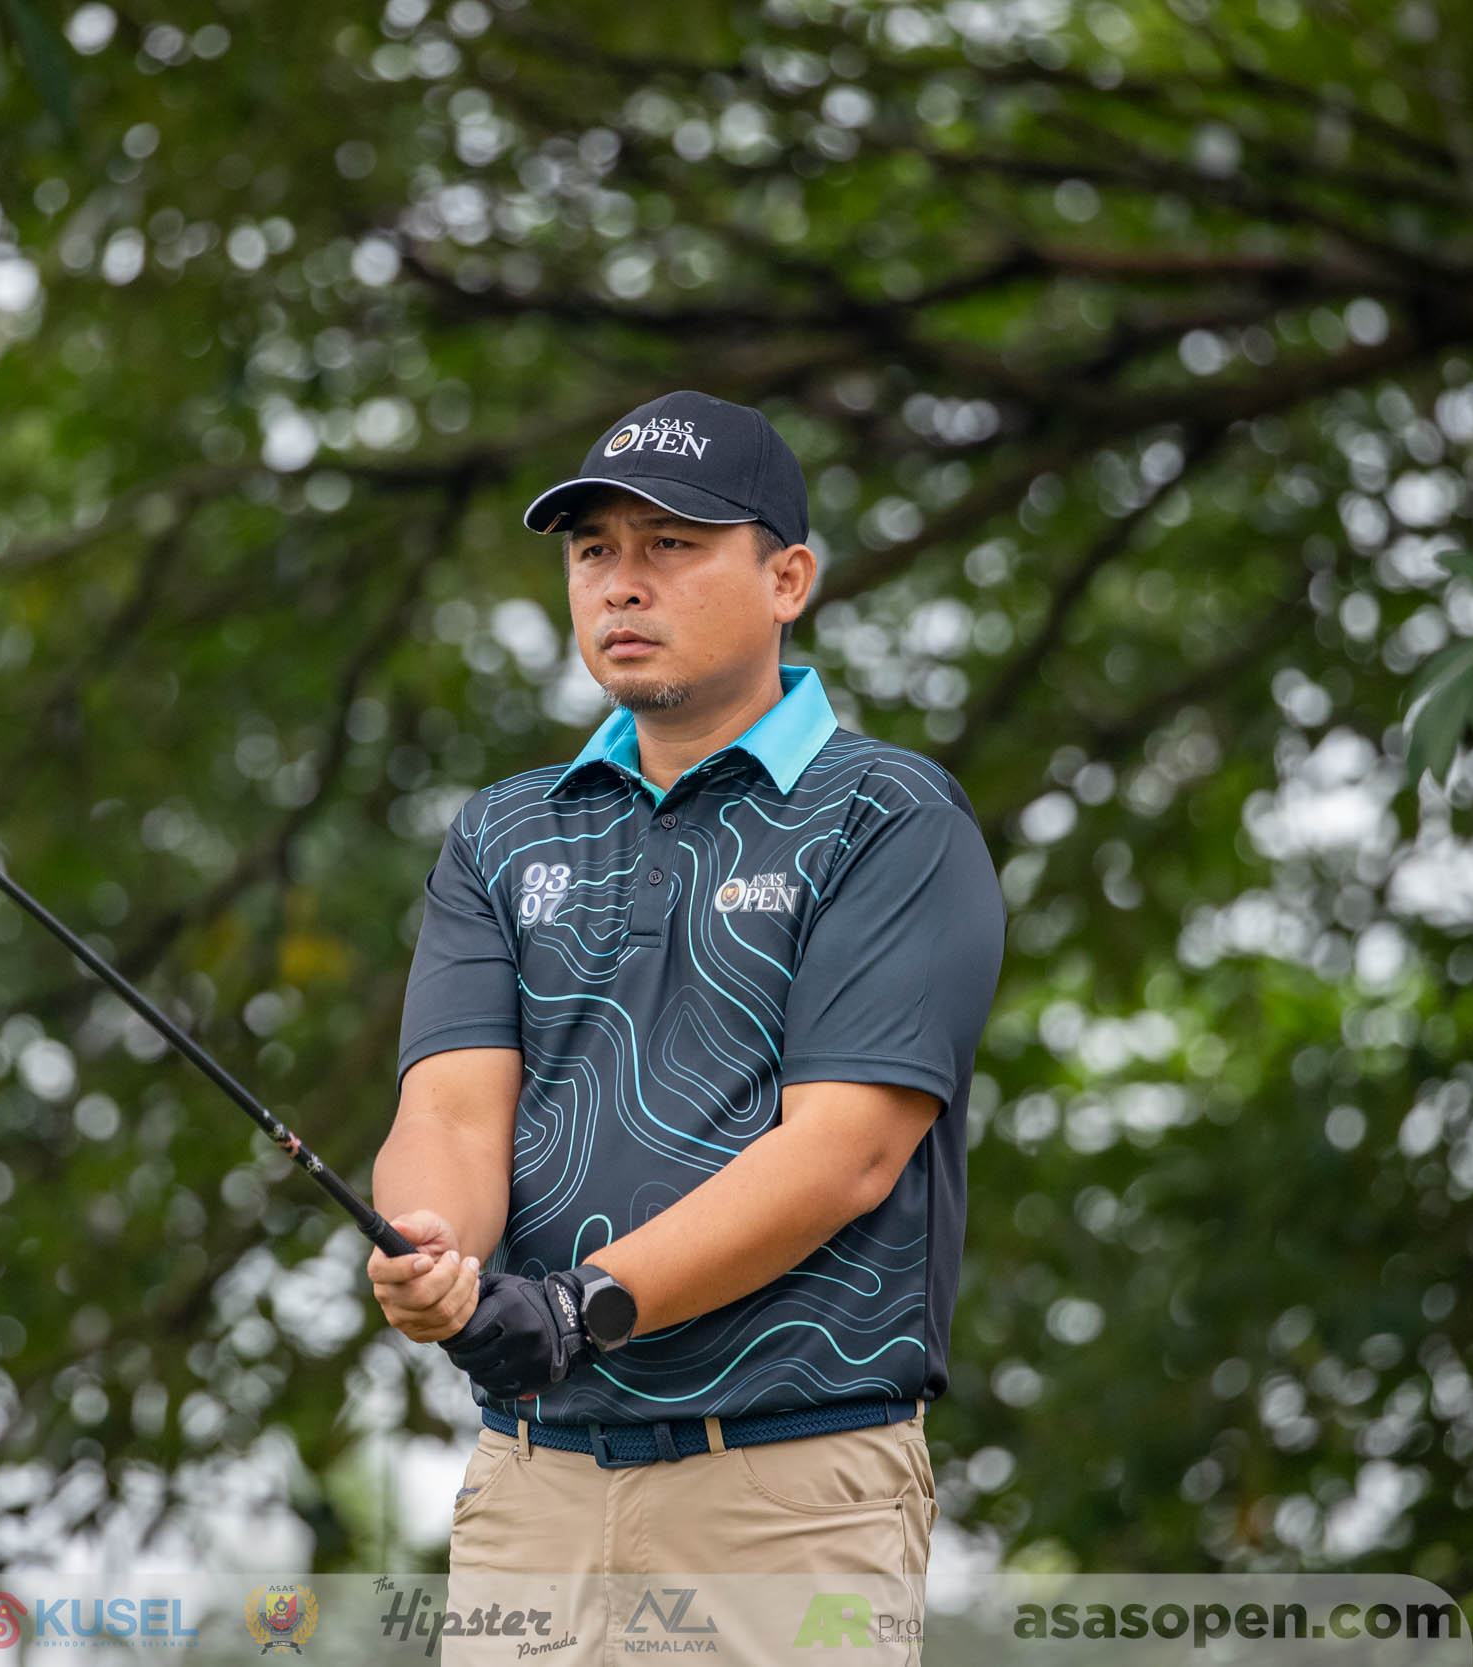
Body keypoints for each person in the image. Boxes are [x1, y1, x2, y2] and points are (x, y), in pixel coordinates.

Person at [368, 390, 1005, 1592]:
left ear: (787, 579)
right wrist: (433, 1244)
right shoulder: (502, 831)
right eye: (593, 551)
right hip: (529, 1486)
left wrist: (579, 1304)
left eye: (670, 544)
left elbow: (844, 1153)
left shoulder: (889, 816)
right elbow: (448, 1114)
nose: (621, 584)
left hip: (789, 1491)